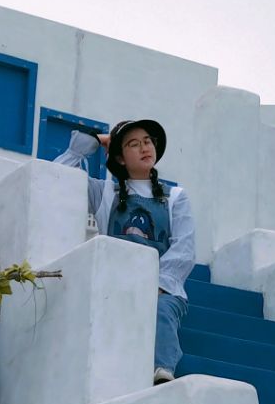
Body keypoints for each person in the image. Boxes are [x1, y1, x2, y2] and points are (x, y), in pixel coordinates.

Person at [58, 118, 195, 383]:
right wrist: (96, 140)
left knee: (162, 310)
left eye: (147, 141)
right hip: (116, 283)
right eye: (133, 144)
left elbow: (184, 249)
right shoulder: (104, 192)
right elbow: (59, 176)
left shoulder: (176, 197)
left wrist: (156, 286)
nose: (144, 147)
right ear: (120, 158)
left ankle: (162, 371)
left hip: (162, 289)